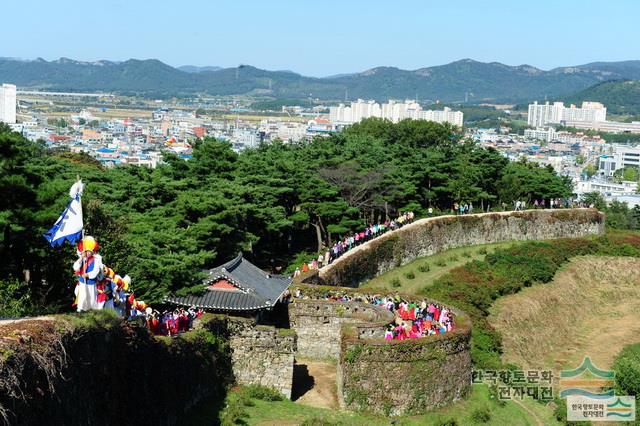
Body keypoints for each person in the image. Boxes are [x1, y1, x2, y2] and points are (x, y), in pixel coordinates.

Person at [73, 236, 103, 312]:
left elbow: (95, 271)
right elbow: (75, 267)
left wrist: (88, 275)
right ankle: (80, 310)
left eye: (90, 251)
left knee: (91, 298)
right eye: (86, 251)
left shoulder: (97, 259)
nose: (88, 253)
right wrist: (81, 258)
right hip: (82, 282)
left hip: (91, 283)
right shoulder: (83, 258)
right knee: (81, 296)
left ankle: (91, 311)